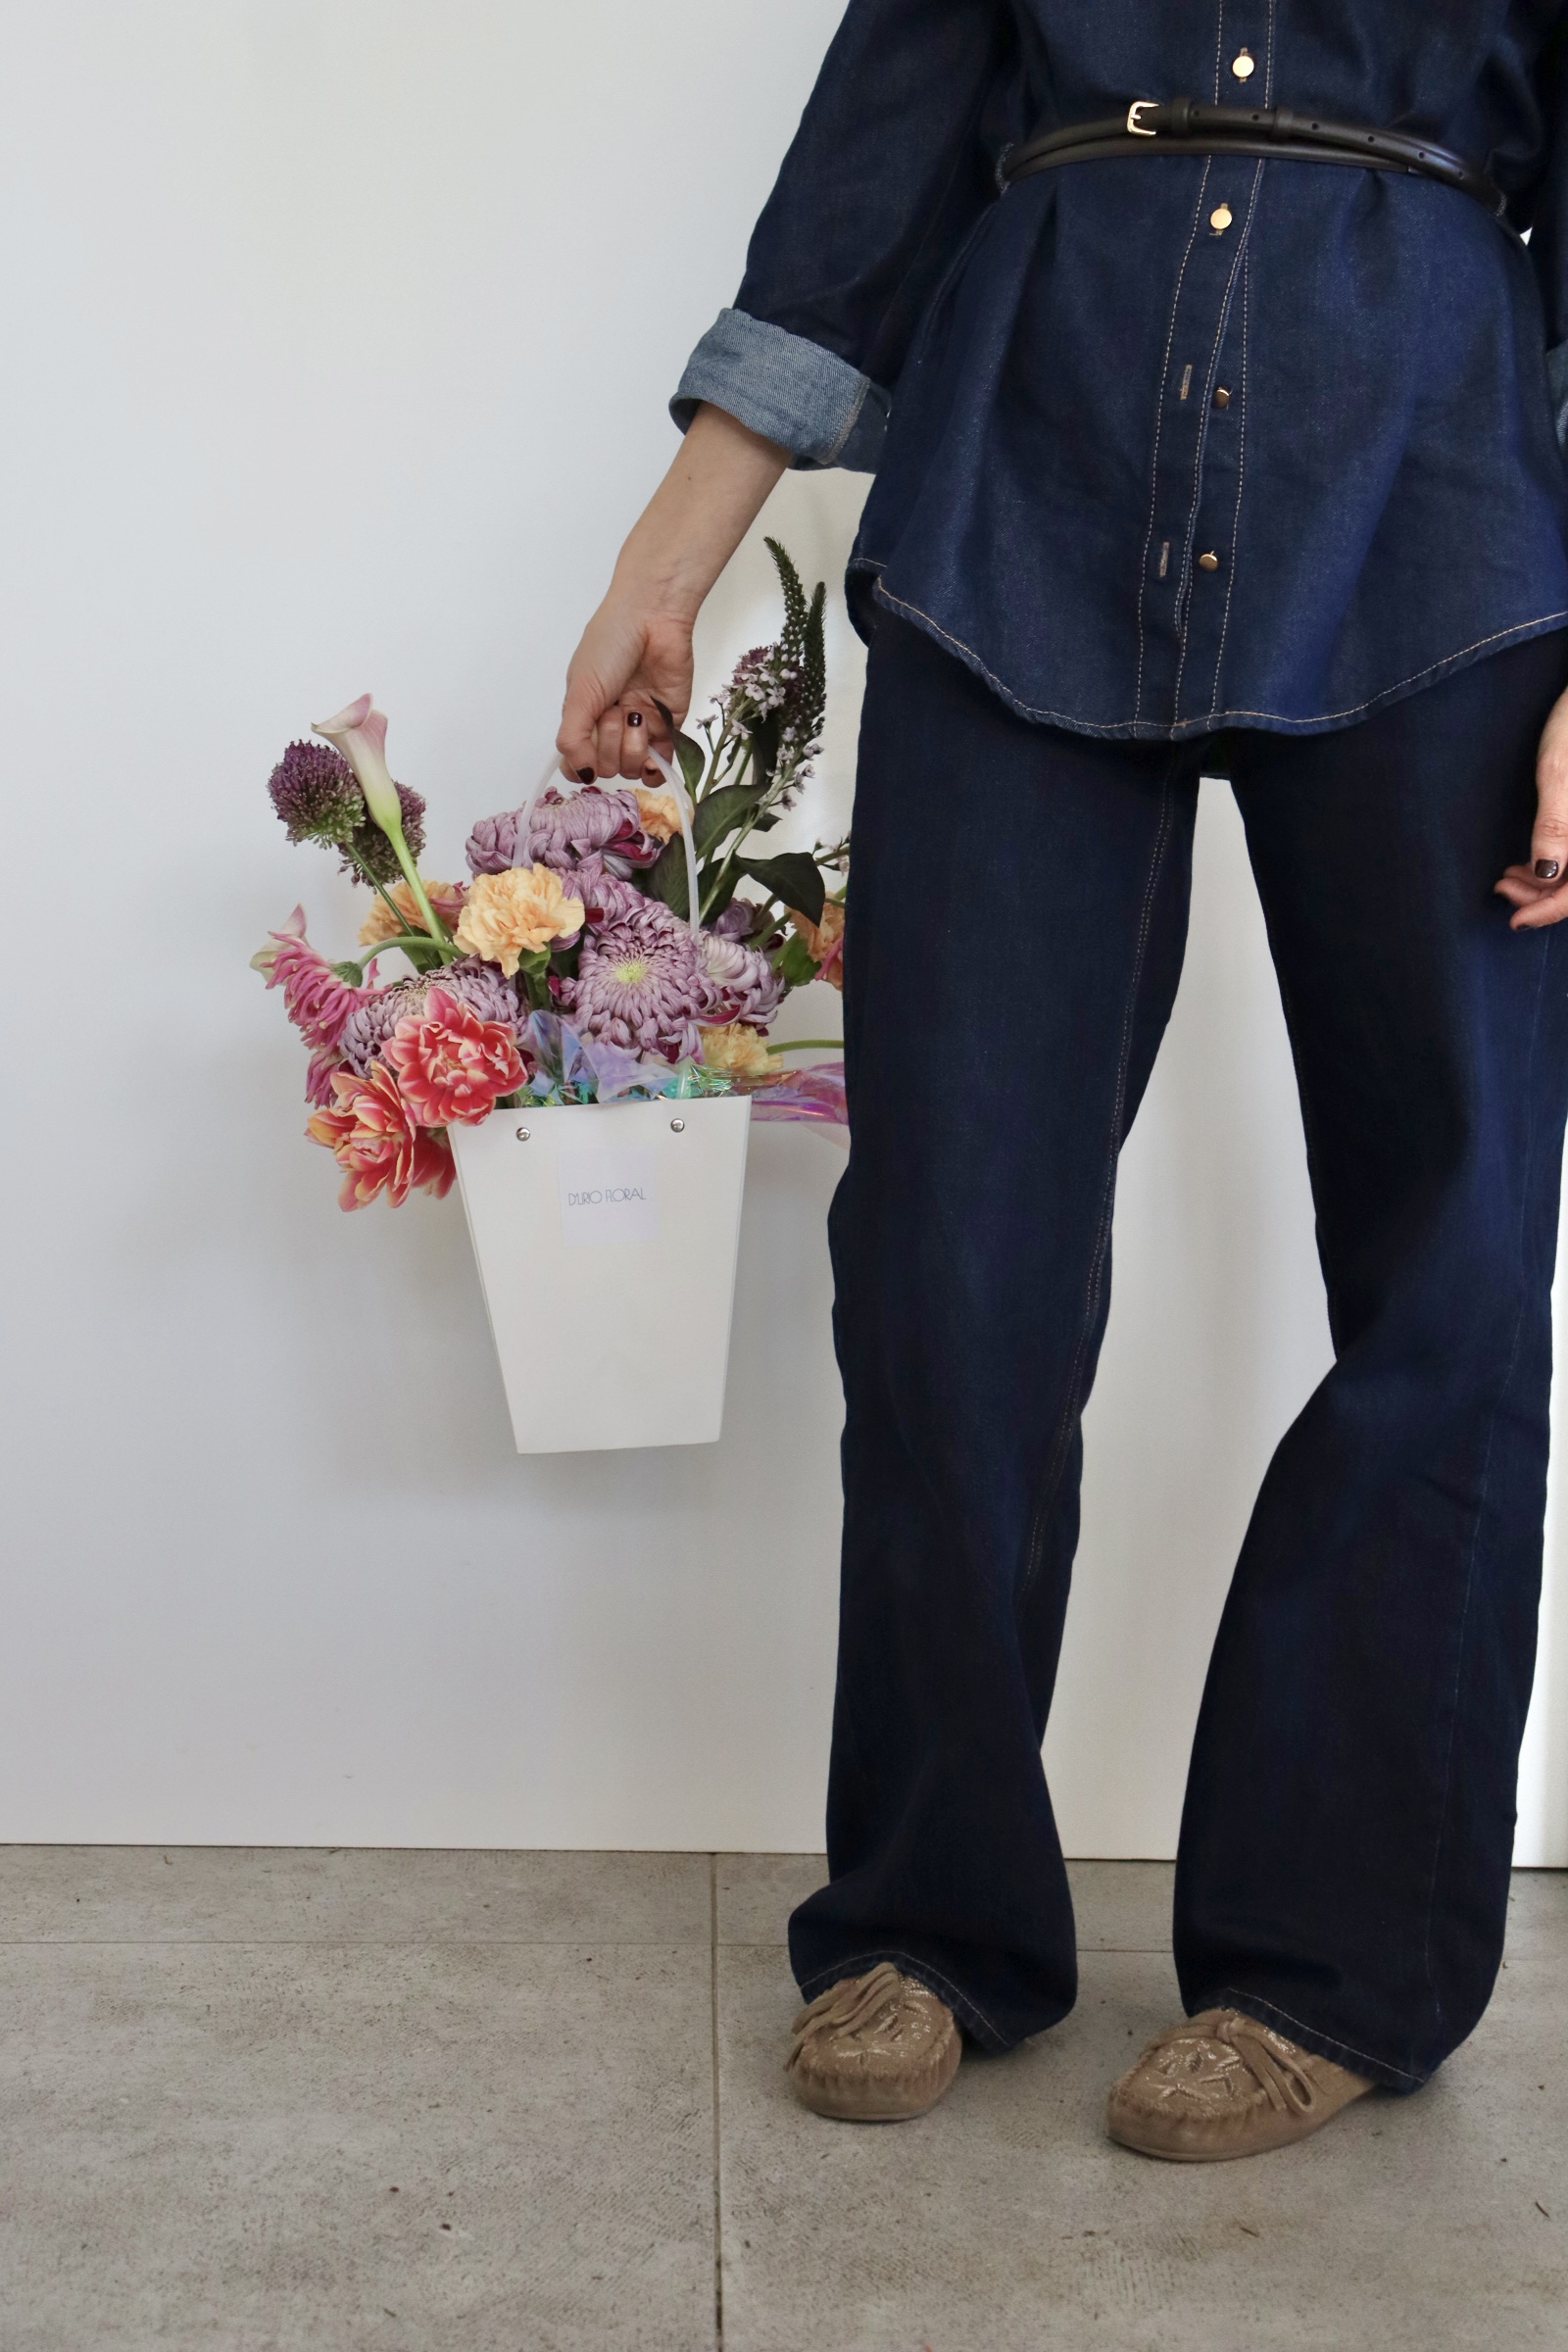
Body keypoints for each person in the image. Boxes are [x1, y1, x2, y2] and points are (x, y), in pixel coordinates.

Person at [558, 3, 1568, 2163]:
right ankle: (931, 1921)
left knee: (1454, 1260)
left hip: (1441, 505)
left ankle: (1329, 1967)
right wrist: (667, 557)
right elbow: (879, 147)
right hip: (1021, 482)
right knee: (947, 1253)